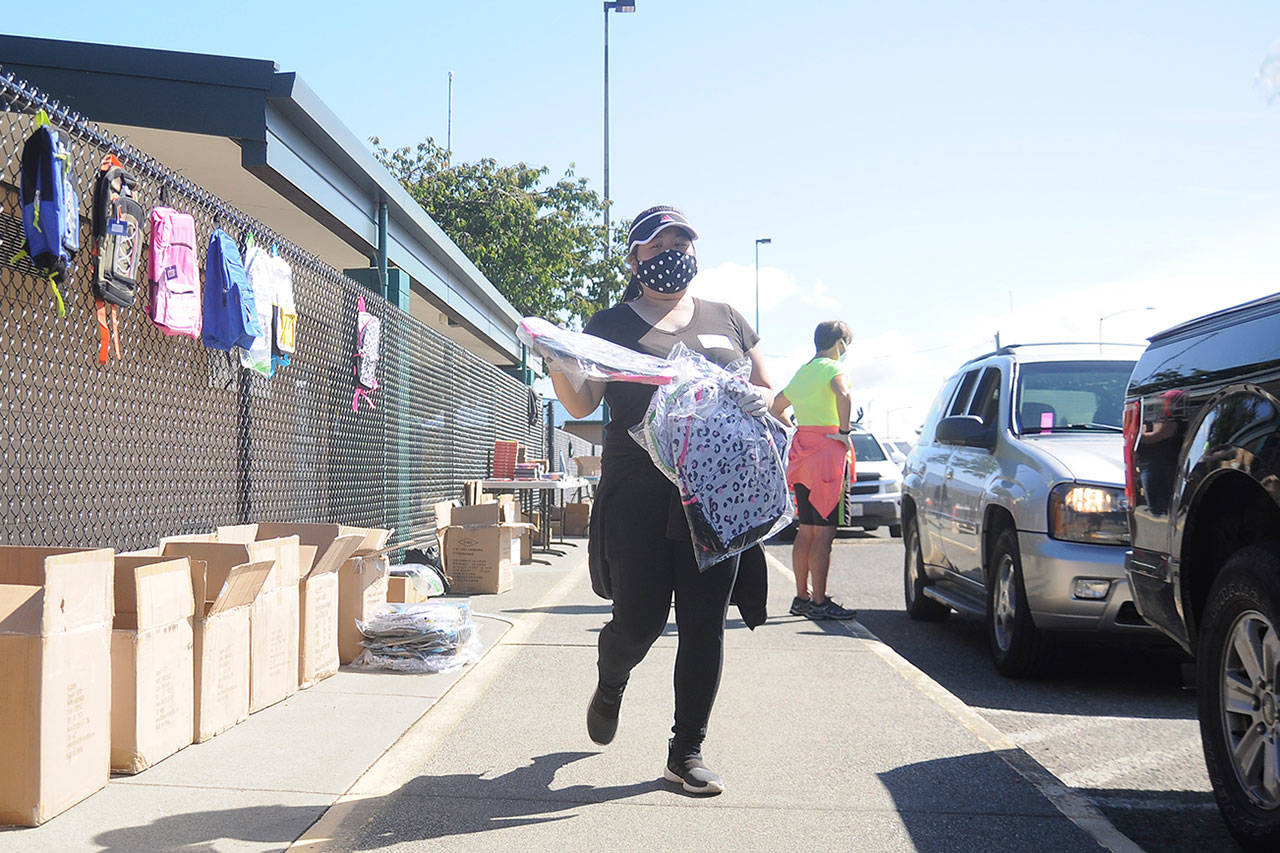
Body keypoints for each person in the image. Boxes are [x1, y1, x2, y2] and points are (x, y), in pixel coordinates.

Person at [548, 205, 773, 796]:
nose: (672, 253)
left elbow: (769, 393)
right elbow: (580, 401)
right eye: (658, 245)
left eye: (681, 242)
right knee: (640, 621)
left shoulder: (726, 319)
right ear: (635, 258)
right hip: (638, 494)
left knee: (704, 627)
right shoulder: (609, 325)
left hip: (714, 494)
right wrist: (554, 356)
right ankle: (611, 675)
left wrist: (760, 401)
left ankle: (686, 752)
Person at [768, 321, 858, 620]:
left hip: (802, 456)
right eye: (848, 343)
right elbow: (843, 395)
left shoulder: (803, 372)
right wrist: (844, 432)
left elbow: (776, 407)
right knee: (824, 534)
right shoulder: (833, 370)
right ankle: (819, 602)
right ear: (839, 344)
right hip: (828, 459)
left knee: (806, 531)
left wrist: (798, 429)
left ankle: (802, 597)